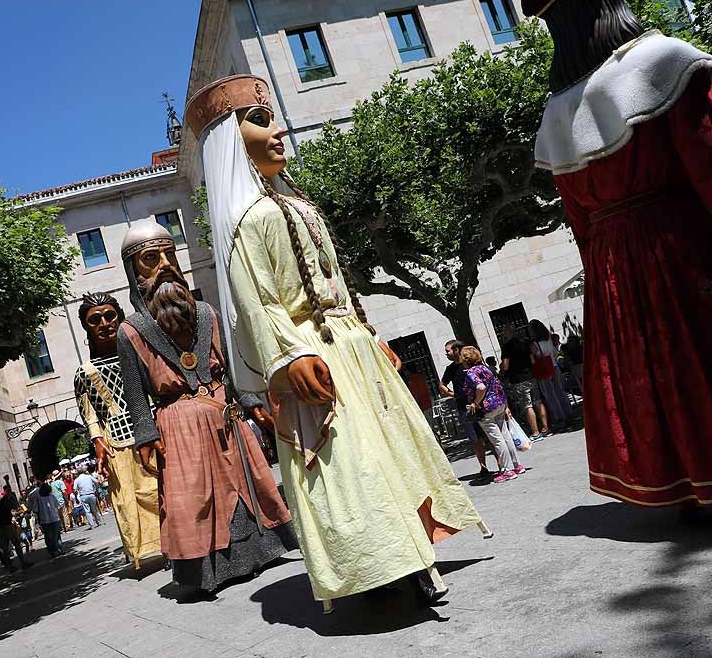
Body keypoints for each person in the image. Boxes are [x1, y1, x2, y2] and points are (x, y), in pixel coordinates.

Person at [186, 74, 490, 611]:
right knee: (349, 464)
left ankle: (412, 551)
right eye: (259, 121)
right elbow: (259, 303)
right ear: (231, 141)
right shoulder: (243, 223)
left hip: (351, 348)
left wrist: (369, 334)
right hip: (312, 355)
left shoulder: (296, 202)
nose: (278, 131)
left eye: (273, 118)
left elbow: (336, 282)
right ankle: (381, 568)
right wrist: (288, 357)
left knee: (387, 451)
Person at [524, 0, 712, 523]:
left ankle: (684, 490)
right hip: (679, 242)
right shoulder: (663, 63)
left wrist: (604, 285)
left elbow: (580, 222)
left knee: (654, 373)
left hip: (613, 264)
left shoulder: (559, 109)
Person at [116, 219, 298, 595]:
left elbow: (230, 367)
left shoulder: (206, 313)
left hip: (224, 413)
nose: (165, 264)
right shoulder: (130, 330)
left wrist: (250, 401)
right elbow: (135, 393)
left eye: (169, 254)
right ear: (135, 271)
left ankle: (264, 550)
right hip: (177, 425)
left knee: (248, 484)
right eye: (152, 259)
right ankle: (206, 572)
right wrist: (146, 436)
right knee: (193, 498)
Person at [74, 291, 162, 566]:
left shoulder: (140, 356)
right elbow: (89, 414)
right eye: (95, 320)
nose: (104, 324)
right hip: (117, 444)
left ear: (120, 317)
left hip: (152, 432)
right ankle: (138, 552)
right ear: (87, 327)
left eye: (110, 316)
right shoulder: (84, 372)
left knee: (160, 490)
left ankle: (173, 540)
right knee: (127, 501)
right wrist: (97, 441)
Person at [462, 346, 525, 483]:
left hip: (486, 409)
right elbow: (499, 386)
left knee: (497, 439)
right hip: (499, 404)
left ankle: (507, 470)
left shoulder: (471, 372)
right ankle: (516, 465)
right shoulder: (486, 368)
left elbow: (481, 387)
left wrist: (475, 403)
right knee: (505, 434)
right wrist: (505, 405)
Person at [439, 339, 493, 479]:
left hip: (481, 404)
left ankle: (502, 465)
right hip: (465, 407)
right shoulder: (450, 369)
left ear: (456, 350)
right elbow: (442, 385)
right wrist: (453, 394)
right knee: (475, 439)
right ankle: (483, 467)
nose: (446, 353)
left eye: (448, 350)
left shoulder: (471, 364)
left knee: (489, 434)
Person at [500, 325, 550, 439]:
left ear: (509, 332)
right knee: (538, 401)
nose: (503, 334)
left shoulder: (506, 347)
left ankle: (535, 432)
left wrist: (502, 370)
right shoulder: (525, 342)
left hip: (518, 379)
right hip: (531, 375)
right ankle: (545, 427)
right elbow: (533, 359)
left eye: (504, 331)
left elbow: (506, 366)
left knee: (527, 405)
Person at [528, 320, 573, 427]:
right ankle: (568, 412)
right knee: (560, 391)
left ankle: (560, 417)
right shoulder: (549, 339)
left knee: (550, 395)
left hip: (544, 370)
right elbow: (554, 352)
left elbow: (537, 358)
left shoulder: (534, 344)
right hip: (554, 367)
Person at [0, 489, 32, 571]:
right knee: (16, 544)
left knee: (5, 548)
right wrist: (7, 481)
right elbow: (9, 493)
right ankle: (23, 562)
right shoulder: (0, 503)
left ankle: (10, 567)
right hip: (7, 526)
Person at [28, 482, 63, 557]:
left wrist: (39, 520)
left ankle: (52, 551)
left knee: (48, 536)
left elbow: (35, 510)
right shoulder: (52, 496)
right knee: (57, 535)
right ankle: (59, 549)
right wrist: (60, 516)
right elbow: (58, 506)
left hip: (45, 520)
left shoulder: (39, 499)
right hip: (55, 518)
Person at [72, 464, 102, 530]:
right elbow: (97, 482)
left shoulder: (76, 480)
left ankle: (92, 525)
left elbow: (74, 490)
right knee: (94, 509)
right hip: (91, 493)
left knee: (87, 511)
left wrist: (76, 496)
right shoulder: (88, 477)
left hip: (83, 495)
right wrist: (96, 489)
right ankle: (98, 522)